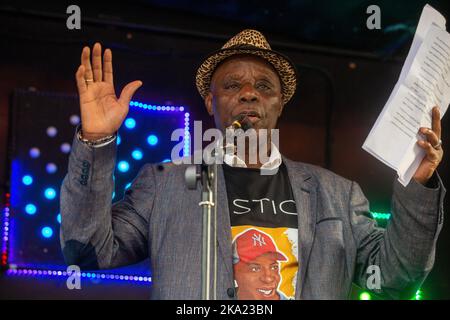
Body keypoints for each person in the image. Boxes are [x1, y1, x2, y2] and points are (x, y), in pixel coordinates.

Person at [60, 29, 445, 300]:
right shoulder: (167, 185)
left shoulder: (337, 194)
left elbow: (395, 277)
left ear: (279, 104)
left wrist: (419, 180)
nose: (248, 93)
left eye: (264, 87)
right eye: (232, 86)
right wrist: (96, 140)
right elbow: (88, 250)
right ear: (211, 103)